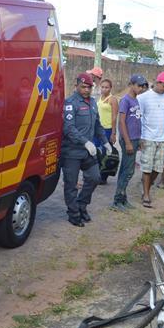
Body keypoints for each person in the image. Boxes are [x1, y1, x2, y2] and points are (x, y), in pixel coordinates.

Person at [61, 73, 111, 227]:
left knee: (94, 177)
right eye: (83, 87)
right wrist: (85, 142)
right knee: (71, 184)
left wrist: (105, 142)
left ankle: (82, 205)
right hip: (72, 152)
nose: (86, 90)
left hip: (88, 152)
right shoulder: (70, 103)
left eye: (89, 87)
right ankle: (73, 213)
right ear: (76, 86)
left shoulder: (93, 103)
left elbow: (97, 125)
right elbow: (68, 128)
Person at [137, 72, 164, 208]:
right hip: (147, 137)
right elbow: (138, 117)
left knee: (158, 168)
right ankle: (146, 194)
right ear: (157, 82)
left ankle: (147, 184)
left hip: (162, 137)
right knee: (147, 168)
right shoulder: (143, 97)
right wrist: (139, 137)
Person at [111, 74, 148, 210]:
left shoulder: (136, 100)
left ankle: (123, 199)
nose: (141, 88)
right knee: (128, 171)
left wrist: (139, 140)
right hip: (128, 139)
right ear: (131, 85)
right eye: (138, 86)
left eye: (142, 86)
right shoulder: (126, 100)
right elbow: (122, 121)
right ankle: (117, 201)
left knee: (125, 169)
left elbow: (137, 121)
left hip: (135, 138)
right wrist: (127, 142)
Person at [96, 78, 119, 184]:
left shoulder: (112, 99)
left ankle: (103, 177)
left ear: (110, 88)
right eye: (103, 87)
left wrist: (114, 133)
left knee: (105, 154)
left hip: (107, 130)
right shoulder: (100, 98)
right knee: (96, 152)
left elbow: (114, 117)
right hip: (98, 129)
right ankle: (96, 174)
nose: (104, 89)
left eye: (107, 87)